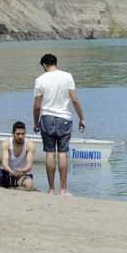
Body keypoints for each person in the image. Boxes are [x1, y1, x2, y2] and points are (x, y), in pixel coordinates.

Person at [33, 53, 86, 197]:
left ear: (44, 65)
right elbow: (74, 100)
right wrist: (82, 118)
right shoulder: (67, 76)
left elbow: (37, 106)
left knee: (50, 152)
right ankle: (63, 189)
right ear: (56, 63)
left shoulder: (40, 80)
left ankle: (51, 189)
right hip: (64, 118)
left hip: (47, 118)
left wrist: (36, 123)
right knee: (63, 152)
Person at [0, 121, 37, 191]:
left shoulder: (30, 145)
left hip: (22, 173)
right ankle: (3, 186)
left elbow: (29, 166)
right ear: (13, 134)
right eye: (18, 134)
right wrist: (12, 171)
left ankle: (16, 186)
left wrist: (20, 171)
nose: (20, 136)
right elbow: (4, 163)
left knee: (29, 186)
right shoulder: (6, 143)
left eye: (23, 134)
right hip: (6, 172)